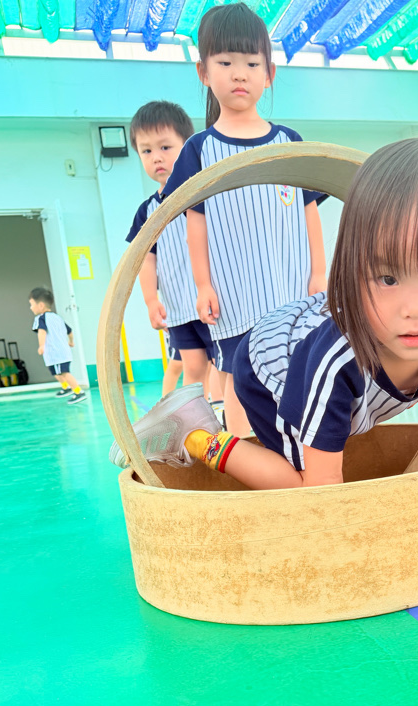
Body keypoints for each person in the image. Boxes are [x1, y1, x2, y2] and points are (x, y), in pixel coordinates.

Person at [110, 138, 418, 490]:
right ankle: (197, 435)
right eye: (388, 278)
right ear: (353, 269)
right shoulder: (335, 360)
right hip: (272, 368)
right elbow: (322, 490)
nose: (415, 310)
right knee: (298, 484)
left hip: (311, 341)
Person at [161, 2, 327, 435]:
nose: (240, 74)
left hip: (292, 289)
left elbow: (309, 211)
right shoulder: (199, 150)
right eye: (226, 63)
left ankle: (300, 445)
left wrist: (318, 273)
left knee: (299, 367)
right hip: (235, 294)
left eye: (252, 64)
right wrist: (202, 285)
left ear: (269, 73)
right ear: (203, 71)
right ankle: (242, 447)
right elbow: (194, 223)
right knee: (238, 377)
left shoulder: (288, 143)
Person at [126, 100, 220, 399]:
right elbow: (146, 260)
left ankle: (223, 417)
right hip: (179, 309)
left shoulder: (206, 194)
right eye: (146, 151)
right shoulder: (147, 211)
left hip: (213, 302)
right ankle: (194, 419)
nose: (157, 157)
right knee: (193, 367)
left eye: (165, 147)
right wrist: (151, 300)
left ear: (187, 146)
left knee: (221, 366)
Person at [29, 288, 87, 404]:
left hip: (55, 352)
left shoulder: (41, 318)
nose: (31, 308)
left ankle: (78, 392)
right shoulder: (58, 318)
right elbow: (69, 331)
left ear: (41, 305)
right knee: (56, 372)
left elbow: (41, 332)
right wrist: (71, 341)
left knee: (64, 372)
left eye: (32, 304)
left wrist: (41, 346)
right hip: (61, 351)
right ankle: (66, 388)